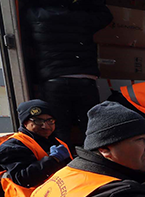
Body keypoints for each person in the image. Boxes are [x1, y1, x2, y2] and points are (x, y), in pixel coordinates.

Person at [24, 0, 112, 147]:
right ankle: (92, 164)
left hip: (54, 81)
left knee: (59, 131)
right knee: (90, 129)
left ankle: (64, 164)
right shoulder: (81, 16)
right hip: (84, 80)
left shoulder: (36, 14)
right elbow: (106, 15)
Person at [0, 100, 72, 197]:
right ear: (25, 122)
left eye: (50, 121)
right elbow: (25, 178)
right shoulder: (13, 146)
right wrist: (53, 160)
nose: (45, 126)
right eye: (38, 121)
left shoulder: (57, 142)